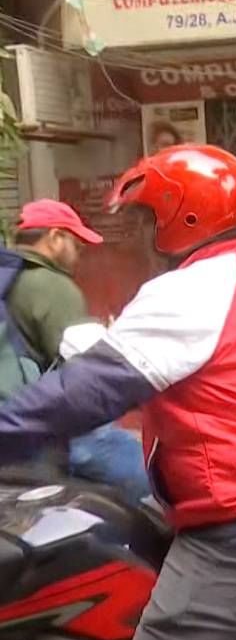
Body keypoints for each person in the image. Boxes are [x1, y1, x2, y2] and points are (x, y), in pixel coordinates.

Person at [0, 145, 236, 640]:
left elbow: (79, 395)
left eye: (144, 218)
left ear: (184, 216)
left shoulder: (189, 291)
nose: (136, 237)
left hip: (234, 538)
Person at [1, 199, 149, 503]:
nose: (79, 255)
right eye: (77, 245)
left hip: (13, 426)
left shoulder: (8, 278)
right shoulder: (51, 284)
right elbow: (96, 363)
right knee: (152, 481)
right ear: (55, 238)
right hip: (56, 434)